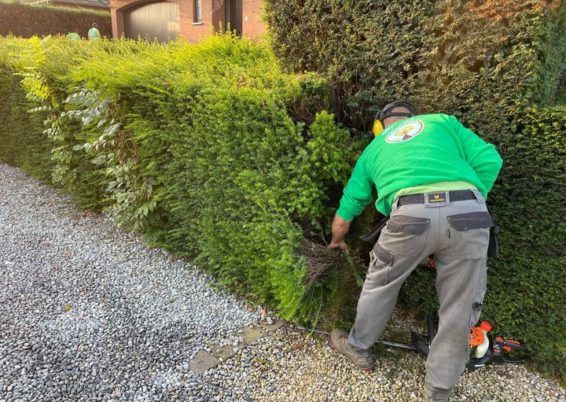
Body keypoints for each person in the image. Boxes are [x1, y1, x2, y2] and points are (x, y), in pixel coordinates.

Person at [328, 100, 503, 402]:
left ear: (379, 127)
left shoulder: (375, 147)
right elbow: (490, 160)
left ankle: (358, 349)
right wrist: (467, 204)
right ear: (415, 119)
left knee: (379, 286)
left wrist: (337, 239)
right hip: (469, 215)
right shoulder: (443, 121)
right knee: (459, 308)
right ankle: (438, 390)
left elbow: (348, 208)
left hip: (409, 217)